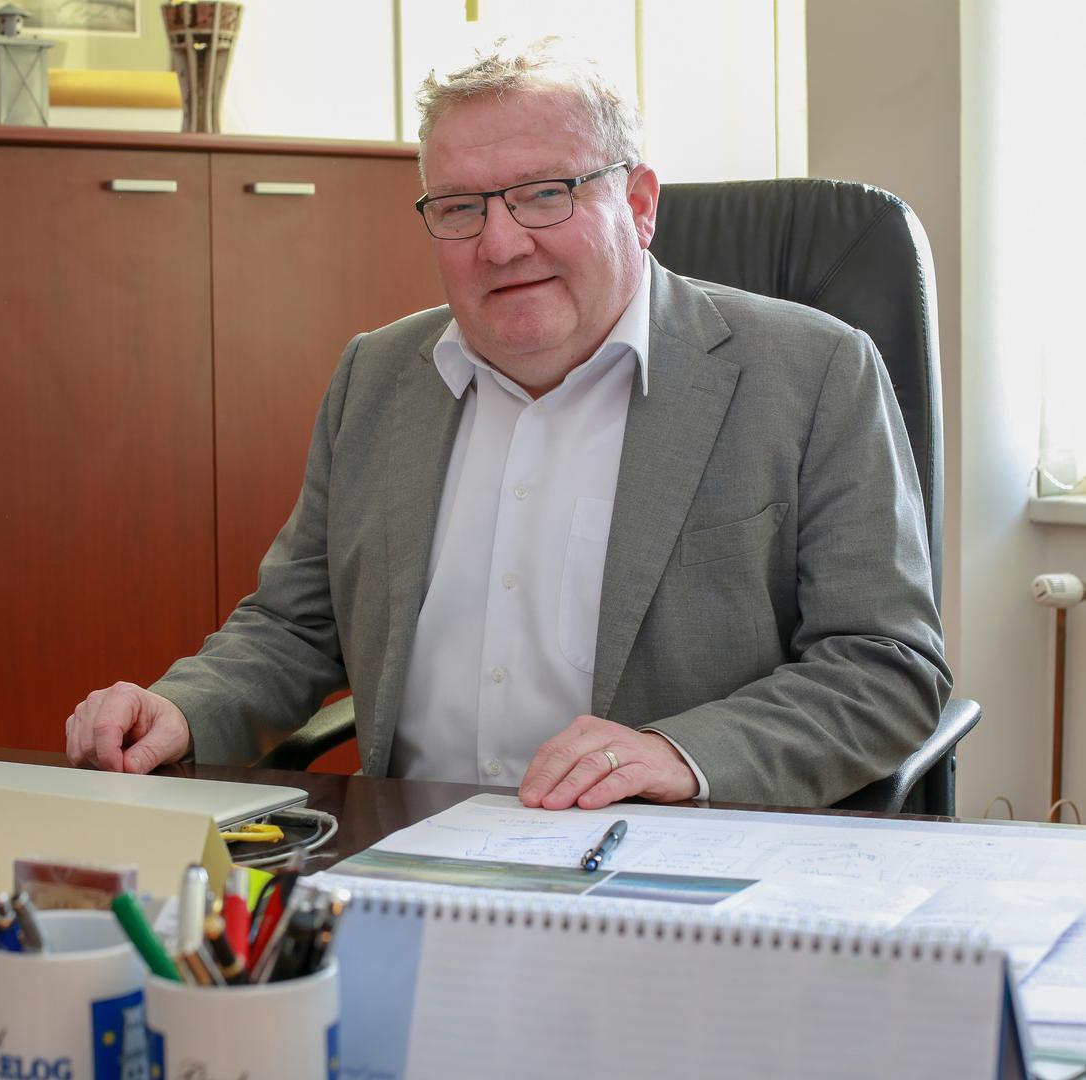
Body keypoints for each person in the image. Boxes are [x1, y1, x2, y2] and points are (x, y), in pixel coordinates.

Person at [66, 44, 951, 810]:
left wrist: (683, 754)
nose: (500, 244)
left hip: (667, 867)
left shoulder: (810, 372)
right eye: (459, 207)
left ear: (639, 204)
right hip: (406, 853)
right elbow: (296, 627)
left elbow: (883, 666)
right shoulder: (377, 377)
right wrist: (181, 709)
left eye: (543, 194)